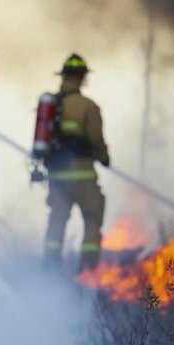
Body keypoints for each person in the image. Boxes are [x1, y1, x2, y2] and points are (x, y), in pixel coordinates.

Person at [42, 53, 110, 272]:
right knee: (92, 217)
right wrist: (104, 157)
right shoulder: (88, 106)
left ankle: (50, 267)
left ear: (63, 76)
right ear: (82, 77)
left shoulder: (50, 105)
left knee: (57, 220)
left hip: (56, 176)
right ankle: (88, 270)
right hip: (82, 176)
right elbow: (96, 140)